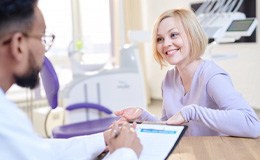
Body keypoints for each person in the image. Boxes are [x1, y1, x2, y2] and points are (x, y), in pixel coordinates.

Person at [0, 0, 142, 159]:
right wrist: (126, 152)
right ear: (18, 44)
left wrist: (104, 138)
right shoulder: (6, 120)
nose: (44, 50)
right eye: (42, 38)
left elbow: (40, 151)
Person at [115, 8, 260, 138]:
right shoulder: (169, 79)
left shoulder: (212, 76)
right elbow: (168, 125)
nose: (166, 44)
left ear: (192, 36)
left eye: (173, 35)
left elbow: (252, 125)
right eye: (160, 39)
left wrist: (192, 112)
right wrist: (142, 116)